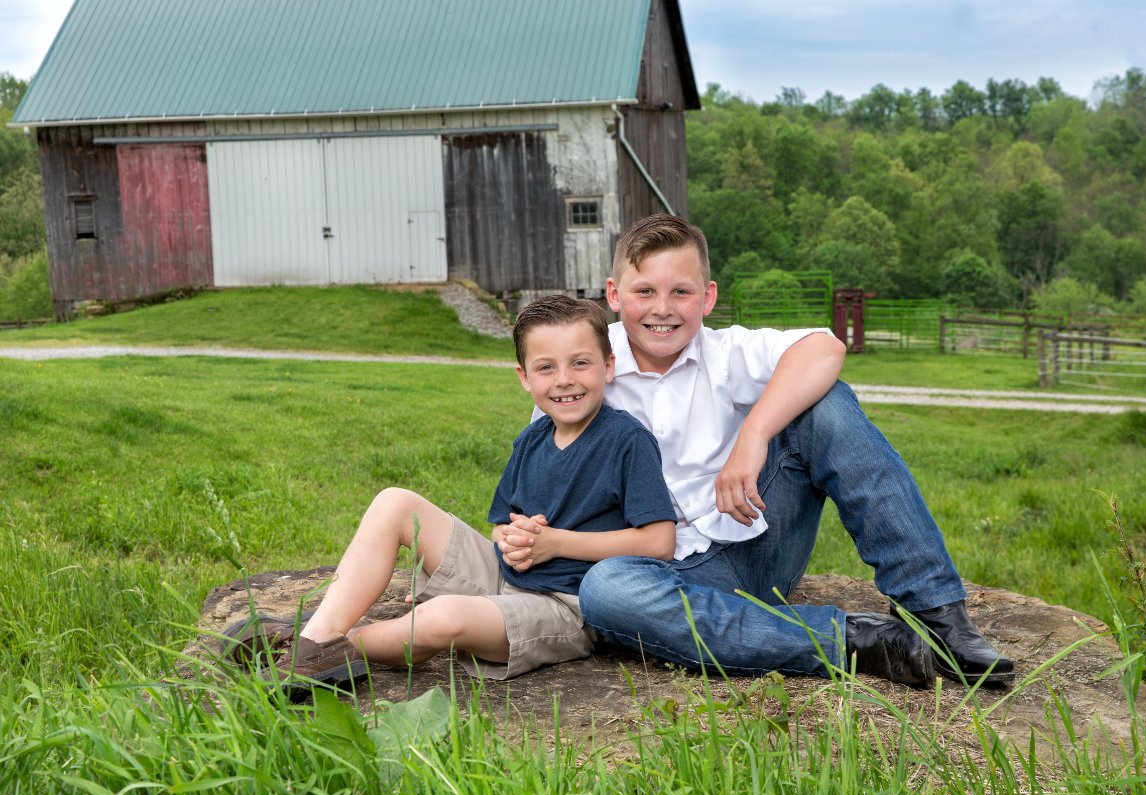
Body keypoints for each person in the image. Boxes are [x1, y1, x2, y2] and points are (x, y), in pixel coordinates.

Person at [510, 214, 1014, 687]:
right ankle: (857, 641)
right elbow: (550, 487)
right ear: (614, 295)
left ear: (707, 297)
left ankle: (934, 609)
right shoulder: (581, 370)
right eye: (645, 291)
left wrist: (753, 435)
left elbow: (825, 348)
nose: (662, 309)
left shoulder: (725, 352)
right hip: (656, 572)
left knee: (825, 404)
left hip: (757, 541)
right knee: (606, 591)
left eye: (681, 292)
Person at [227, 295, 679, 685]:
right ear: (524, 377)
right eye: (546, 367)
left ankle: (327, 649)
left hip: (567, 607)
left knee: (442, 618)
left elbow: (659, 542)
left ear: (608, 366)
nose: (565, 379)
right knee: (395, 503)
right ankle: (317, 633)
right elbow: (500, 526)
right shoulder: (532, 439)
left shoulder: (627, 441)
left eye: (581, 363)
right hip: (505, 575)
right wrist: (514, 539)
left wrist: (555, 543)